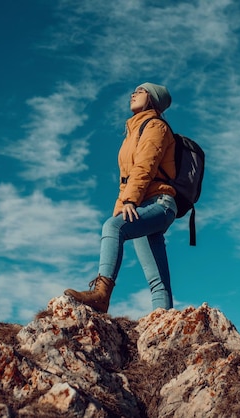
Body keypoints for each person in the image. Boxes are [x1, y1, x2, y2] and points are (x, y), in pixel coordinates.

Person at [64, 82, 178, 313]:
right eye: (134, 91)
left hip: (160, 203)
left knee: (113, 228)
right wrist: (121, 205)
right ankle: (162, 323)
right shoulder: (133, 131)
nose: (133, 94)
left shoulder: (156, 126)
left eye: (140, 91)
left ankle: (101, 294)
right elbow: (126, 177)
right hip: (141, 202)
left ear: (153, 99)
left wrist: (129, 202)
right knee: (157, 280)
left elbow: (146, 166)